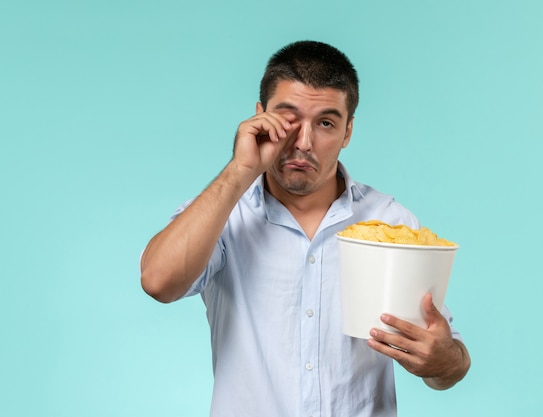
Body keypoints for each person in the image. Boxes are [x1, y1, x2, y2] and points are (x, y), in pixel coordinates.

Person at [140, 40, 470, 417]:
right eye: (289, 120)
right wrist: (239, 171)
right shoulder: (224, 214)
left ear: (348, 133)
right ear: (259, 116)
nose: (304, 143)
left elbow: (448, 363)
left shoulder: (391, 222)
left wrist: (443, 360)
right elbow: (157, 282)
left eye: (326, 123)